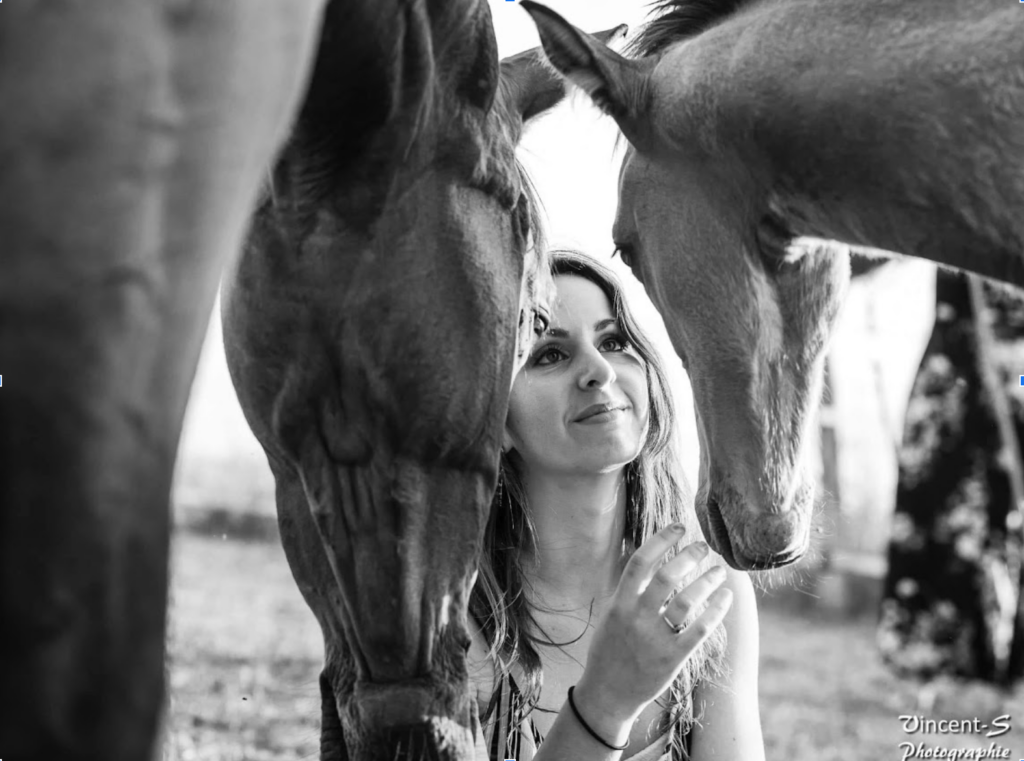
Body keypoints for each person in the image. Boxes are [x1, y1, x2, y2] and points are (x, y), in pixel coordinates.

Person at [468, 250, 764, 761]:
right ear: (498, 421)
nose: (599, 371)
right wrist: (607, 703)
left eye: (613, 341)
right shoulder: (456, 619)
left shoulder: (707, 588)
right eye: (549, 355)